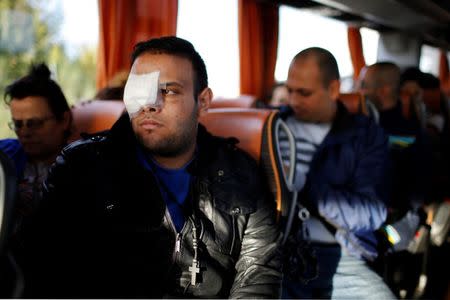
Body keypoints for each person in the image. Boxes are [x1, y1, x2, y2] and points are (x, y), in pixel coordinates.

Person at [23, 36, 281, 298]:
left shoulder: (240, 173)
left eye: (168, 91)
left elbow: (258, 273)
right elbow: (48, 270)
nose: (149, 103)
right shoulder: (81, 167)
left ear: (202, 101)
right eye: (140, 90)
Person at [279, 47, 394, 299]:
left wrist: (302, 185)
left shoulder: (364, 137)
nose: (294, 101)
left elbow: (373, 211)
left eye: (304, 93)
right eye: (290, 91)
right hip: (276, 253)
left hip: (339, 253)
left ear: (333, 89)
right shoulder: (272, 128)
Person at [0, 63, 72, 243]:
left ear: (64, 120)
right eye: (18, 124)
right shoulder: (6, 155)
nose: (24, 132)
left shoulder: (83, 165)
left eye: (35, 123)